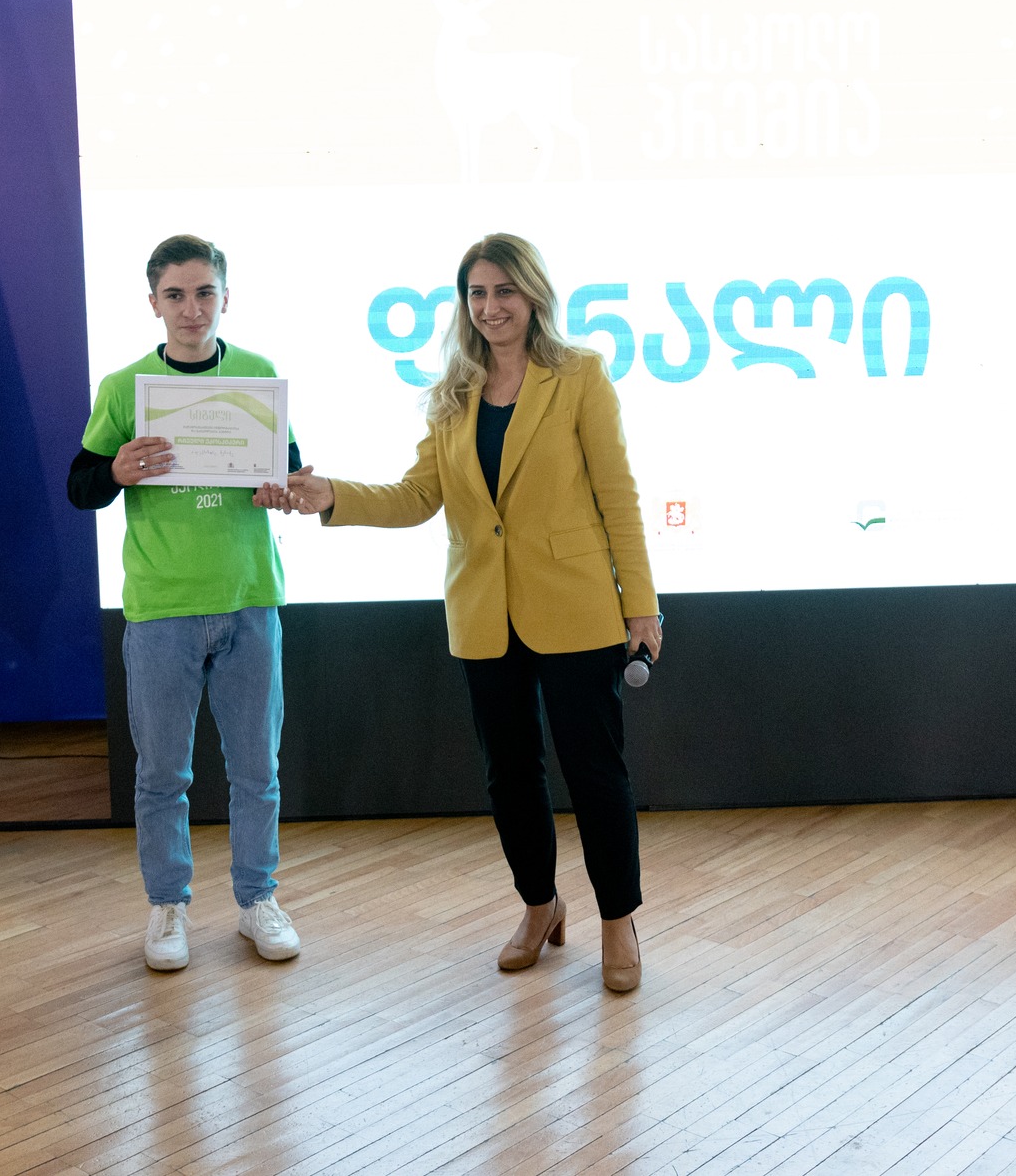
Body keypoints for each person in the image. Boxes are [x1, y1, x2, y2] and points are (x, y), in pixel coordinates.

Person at [287, 233, 660, 991]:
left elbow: (617, 495)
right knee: (510, 777)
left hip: (577, 606)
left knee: (596, 772)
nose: (490, 307)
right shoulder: (452, 393)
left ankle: (618, 921)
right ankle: (540, 905)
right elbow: (417, 496)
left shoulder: (580, 374)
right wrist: (332, 496)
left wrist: (641, 604)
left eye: (503, 291)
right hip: (485, 615)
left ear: (533, 295)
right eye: (477, 294)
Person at [67, 234, 304, 972]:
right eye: (176, 294)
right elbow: (80, 486)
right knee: (163, 773)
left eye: (205, 293)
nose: (192, 308)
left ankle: (257, 898)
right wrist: (116, 469)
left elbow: (292, 469)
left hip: (248, 597)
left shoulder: (257, 374)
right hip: (162, 606)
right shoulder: (124, 388)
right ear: (153, 303)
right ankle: (167, 904)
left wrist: (284, 487)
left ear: (226, 298)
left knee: (256, 769)